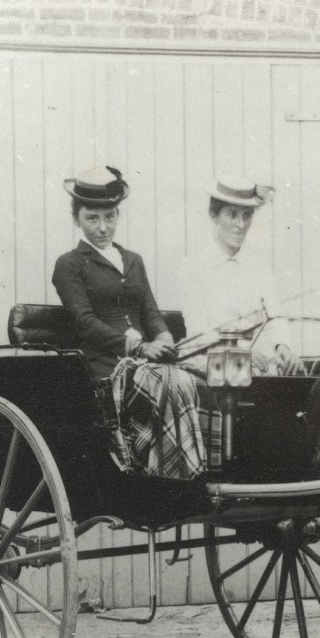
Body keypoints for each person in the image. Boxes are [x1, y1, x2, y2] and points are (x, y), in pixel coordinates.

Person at [52, 166, 206, 480]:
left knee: (203, 375)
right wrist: (139, 347)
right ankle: (176, 474)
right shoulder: (70, 264)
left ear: (117, 215)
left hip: (144, 360)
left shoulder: (133, 259)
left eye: (109, 217)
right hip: (106, 366)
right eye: (91, 218)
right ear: (76, 219)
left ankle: (200, 468)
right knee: (172, 382)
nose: (102, 227)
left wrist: (163, 339)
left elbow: (150, 311)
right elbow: (85, 323)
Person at [173, 175, 302, 376]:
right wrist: (241, 353)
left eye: (246, 215)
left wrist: (282, 346)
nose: (240, 224)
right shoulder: (192, 269)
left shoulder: (260, 266)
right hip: (215, 364)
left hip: (261, 364)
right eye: (232, 215)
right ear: (214, 215)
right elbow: (199, 335)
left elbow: (276, 317)